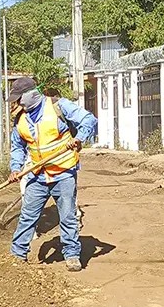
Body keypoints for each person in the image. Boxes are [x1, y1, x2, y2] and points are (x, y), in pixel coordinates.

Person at [8, 77, 97, 271]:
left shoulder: (59, 106)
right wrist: (15, 168)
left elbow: (89, 119)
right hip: (38, 174)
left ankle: (72, 254)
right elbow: (17, 146)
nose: (17, 103)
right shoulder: (21, 118)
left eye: (19, 98)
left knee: (67, 215)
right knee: (28, 215)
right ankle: (17, 254)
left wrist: (79, 138)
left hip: (63, 172)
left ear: (32, 94)